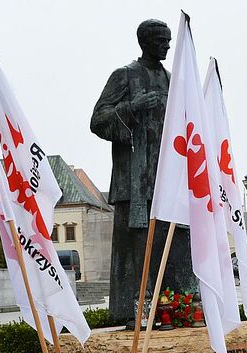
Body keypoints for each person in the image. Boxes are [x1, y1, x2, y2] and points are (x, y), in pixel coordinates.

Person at [90, 19, 197, 324]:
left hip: (169, 182)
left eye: (169, 40)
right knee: (138, 252)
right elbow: (97, 121)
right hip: (135, 183)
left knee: (174, 247)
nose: (167, 46)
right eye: (162, 40)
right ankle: (137, 313)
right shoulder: (124, 75)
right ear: (145, 42)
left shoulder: (172, 81)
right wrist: (132, 107)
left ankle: (178, 310)